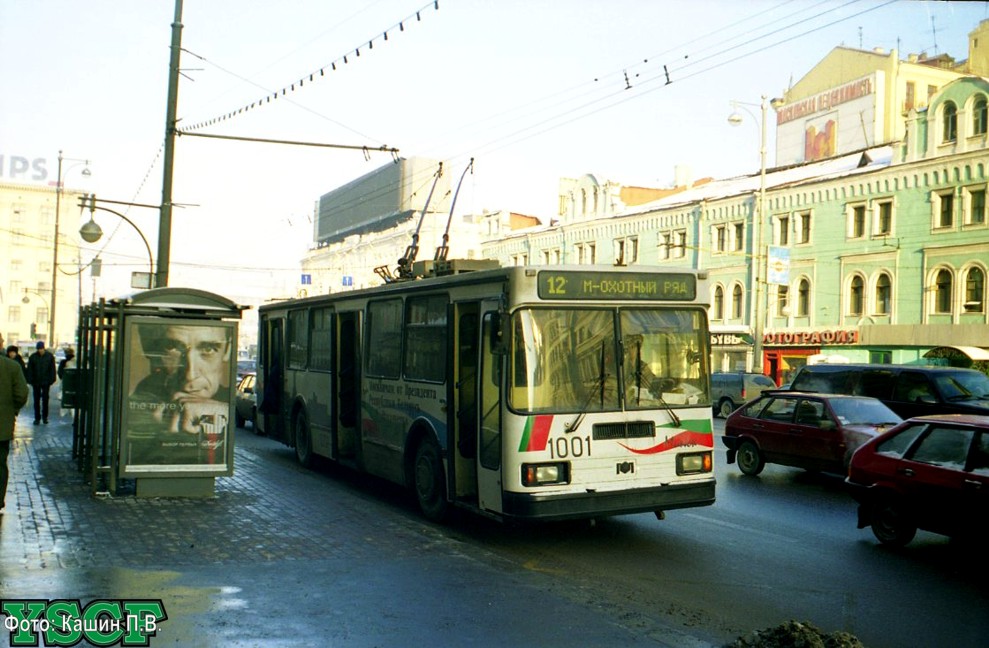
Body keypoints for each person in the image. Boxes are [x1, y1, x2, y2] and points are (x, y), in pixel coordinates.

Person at [128, 323, 232, 465]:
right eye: (172, 348)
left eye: (208, 349)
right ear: (149, 348)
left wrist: (226, 412)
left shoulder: (230, 406)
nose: (190, 375)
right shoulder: (132, 411)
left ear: (227, 350)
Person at [1, 334, 30, 515]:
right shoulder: (12, 367)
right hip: (2, 425)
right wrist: (12, 410)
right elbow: (21, 393)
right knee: (0, 464)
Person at [26, 341, 57, 425]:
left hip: (46, 382)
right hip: (36, 382)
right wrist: (30, 380)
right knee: (36, 400)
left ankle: (44, 417)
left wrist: (51, 380)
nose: (40, 350)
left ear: (44, 348)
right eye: (39, 349)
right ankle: (37, 418)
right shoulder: (33, 357)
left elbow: (52, 369)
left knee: (45, 400)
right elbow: (30, 370)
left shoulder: (50, 357)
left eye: (41, 348)